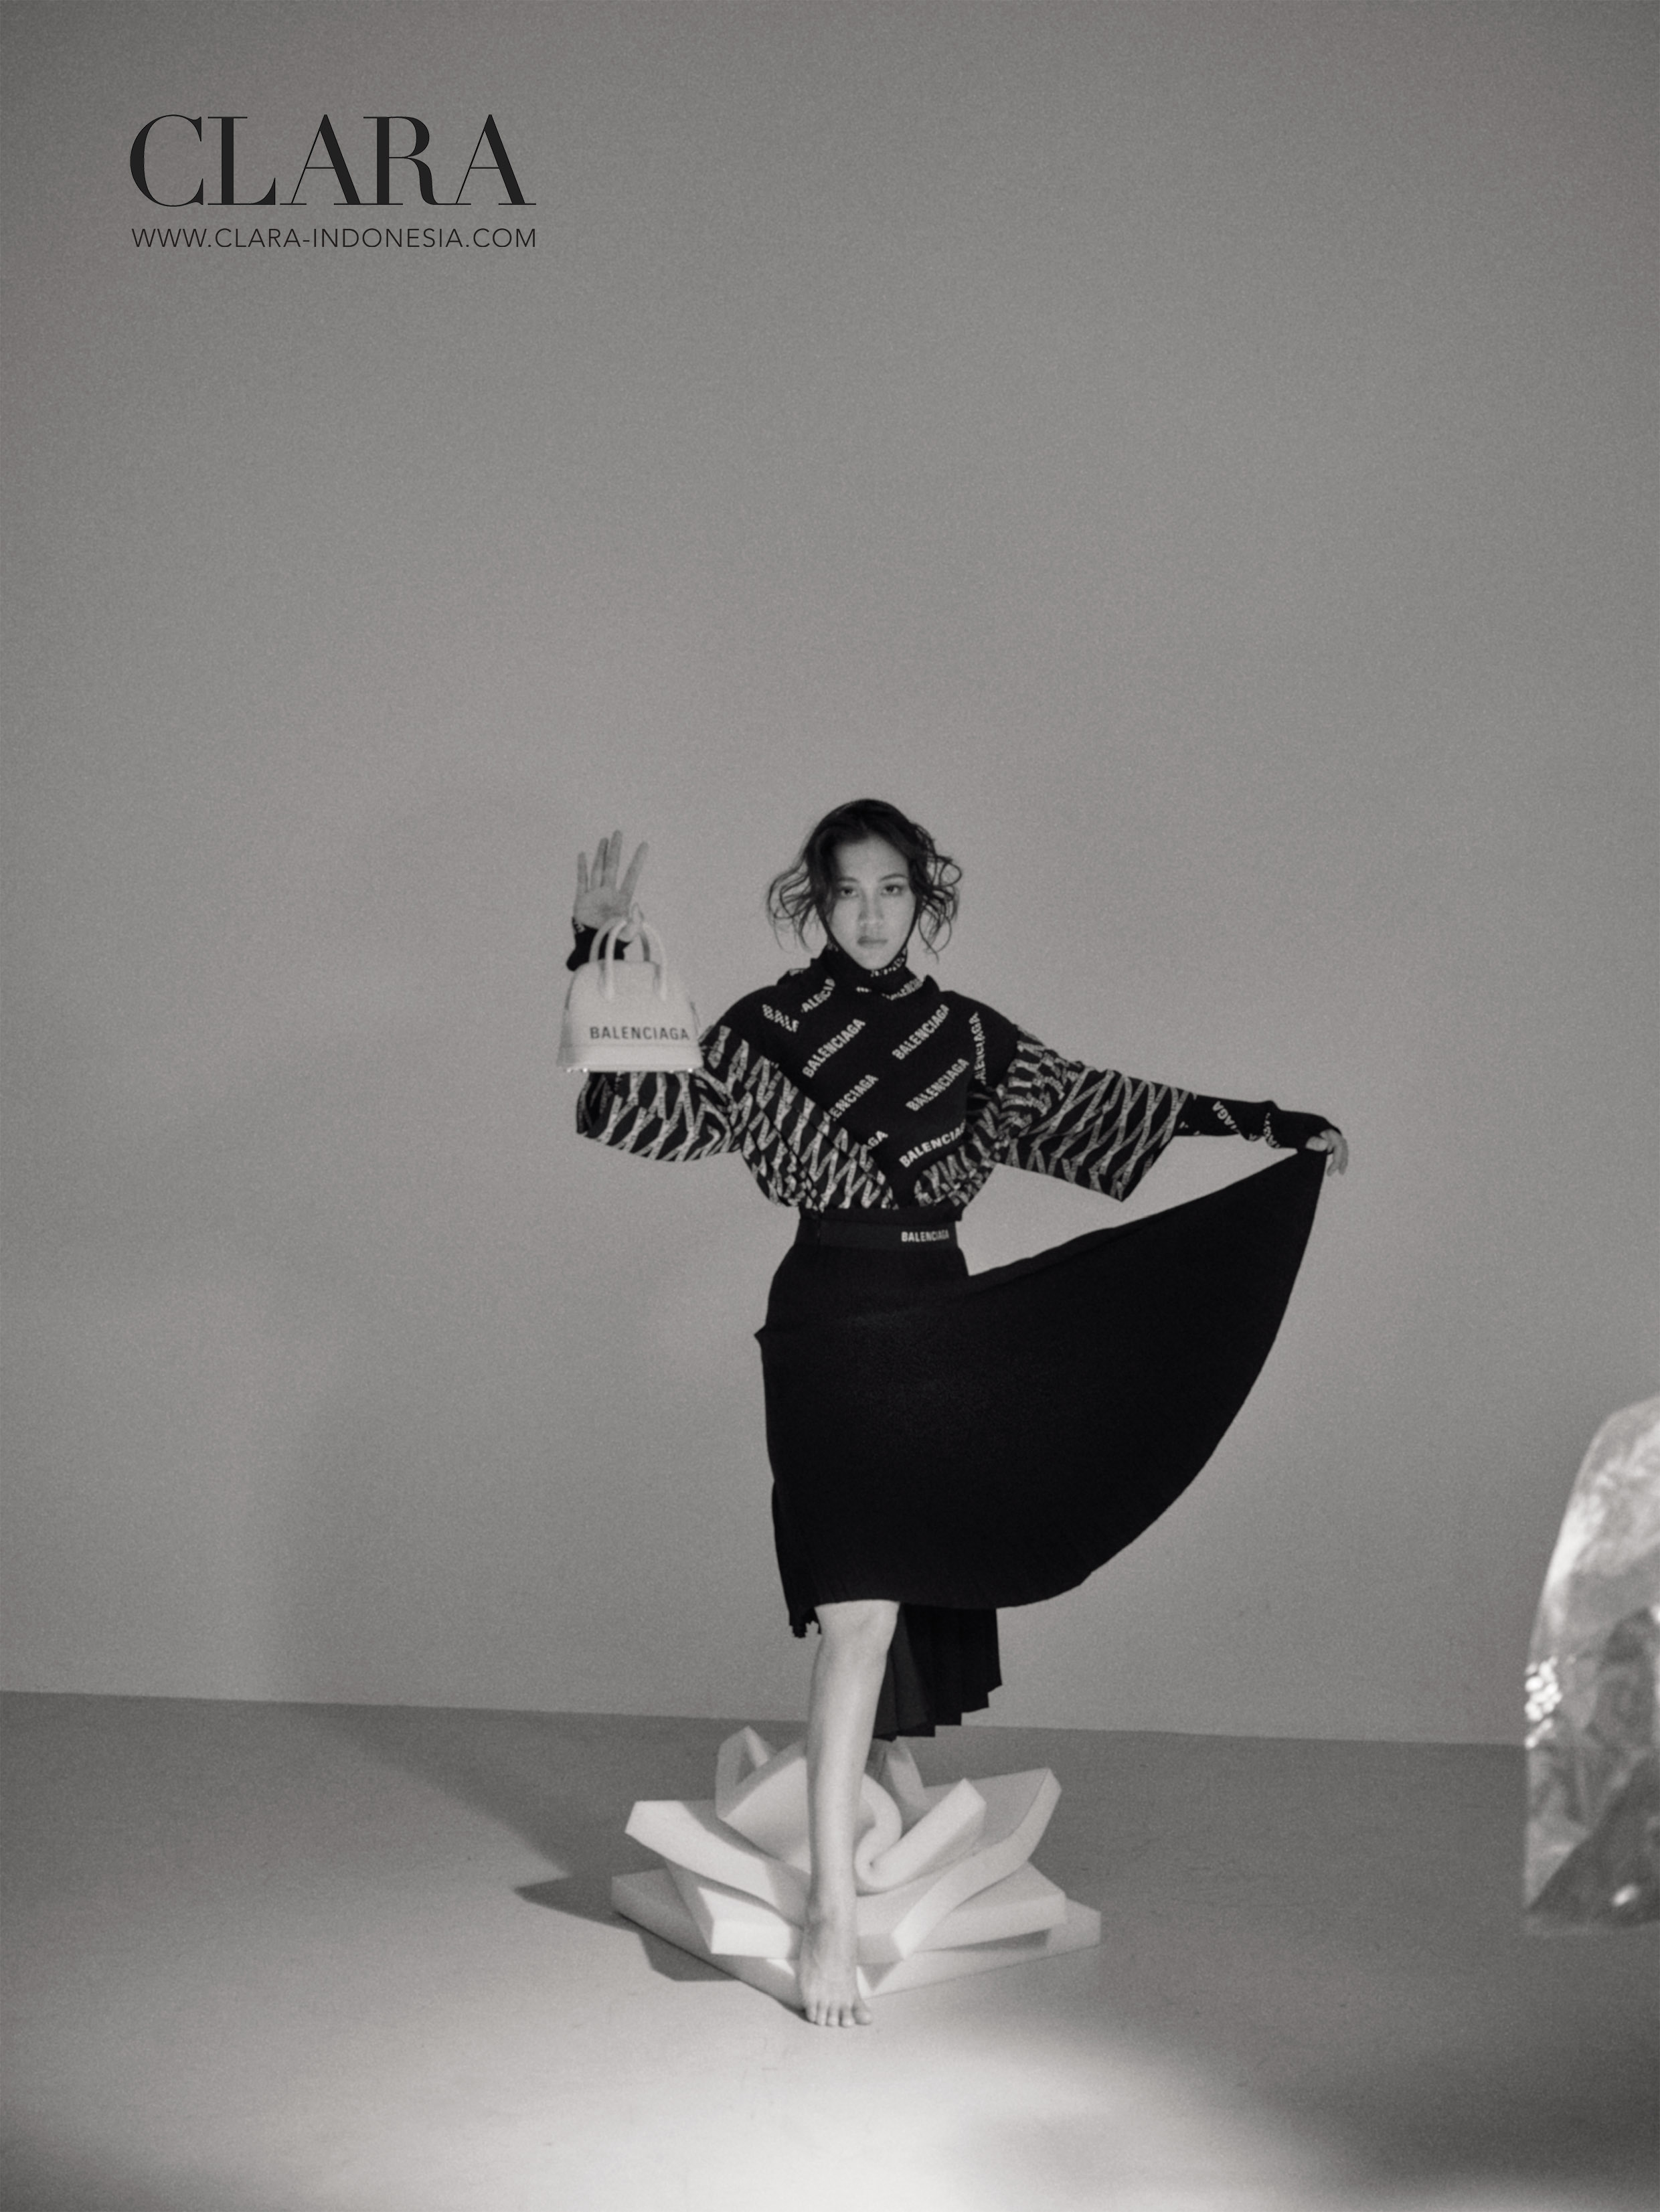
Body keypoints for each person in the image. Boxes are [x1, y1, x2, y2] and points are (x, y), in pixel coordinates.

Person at [569, 800, 1347, 2027]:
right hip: (829, 1327)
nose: (870, 914)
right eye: (847, 891)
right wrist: (595, 957)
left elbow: (1100, 1103)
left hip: (941, 1325)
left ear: (922, 898)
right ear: (814, 900)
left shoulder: (968, 1039)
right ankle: (832, 1912)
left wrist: (1267, 1125)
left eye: (892, 890)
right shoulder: (767, 1030)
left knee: (905, 1592)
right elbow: (643, 1114)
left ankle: (876, 1796)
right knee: (858, 1614)